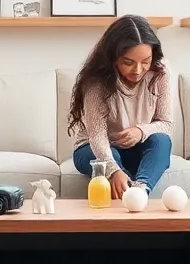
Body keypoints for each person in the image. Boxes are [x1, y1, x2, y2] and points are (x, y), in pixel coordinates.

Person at [68, 14, 174, 199]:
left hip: (136, 146)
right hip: (93, 149)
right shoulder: (97, 80)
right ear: (113, 57)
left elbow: (166, 124)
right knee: (111, 158)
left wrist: (140, 131)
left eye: (146, 61)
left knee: (162, 142)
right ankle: (126, 188)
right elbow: (97, 135)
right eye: (128, 62)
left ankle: (140, 191)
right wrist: (113, 170)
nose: (138, 70)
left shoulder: (160, 73)